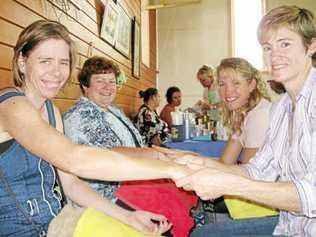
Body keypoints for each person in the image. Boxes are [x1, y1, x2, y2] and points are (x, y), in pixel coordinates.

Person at [0, 19, 192, 237]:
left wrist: (128, 216)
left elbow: (71, 184)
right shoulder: (10, 104)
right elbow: (75, 159)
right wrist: (172, 168)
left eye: (63, 62)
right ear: (22, 62)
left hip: (57, 220)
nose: (57, 72)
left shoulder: (52, 112)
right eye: (45, 61)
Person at [175, 5, 316, 236]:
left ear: (311, 46)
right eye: (267, 47)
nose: (274, 56)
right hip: (289, 227)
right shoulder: (282, 107)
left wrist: (227, 183)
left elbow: (312, 194)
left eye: (285, 44)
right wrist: (197, 163)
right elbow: (258, 169)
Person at [63, 56, 197, 237]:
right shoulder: (80, 115)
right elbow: (110, 153)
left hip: (132, 178)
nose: (108, 87)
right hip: (109, 193)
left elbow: (137, 144)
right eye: (100, 81)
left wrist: (166, 154)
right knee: (164, 212)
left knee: (179, 187)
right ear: (85, 86)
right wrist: (157, 156)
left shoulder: (113, 110)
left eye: (111, 81)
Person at [217, 57, 272, 165]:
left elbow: (250, 174)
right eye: (222, 84)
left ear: (251, 85)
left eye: (236, 83)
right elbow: (225, 162)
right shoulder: (243, 113)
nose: (228, 91)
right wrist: (191, 160)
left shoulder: (259, 116)